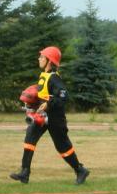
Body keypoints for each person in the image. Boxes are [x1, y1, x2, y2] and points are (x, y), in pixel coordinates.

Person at [9, 46, 89, 185]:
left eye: (42, 57)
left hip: (55, 118)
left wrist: (48, 104)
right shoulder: (44, 76)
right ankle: (25, 173)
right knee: (30, 138)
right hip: (42, 115)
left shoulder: (54, 78)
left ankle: (80, 170)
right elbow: (45, 95)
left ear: (49, 61)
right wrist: (34, 103)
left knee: (62, 147)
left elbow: (63, 96)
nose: (39, 58)